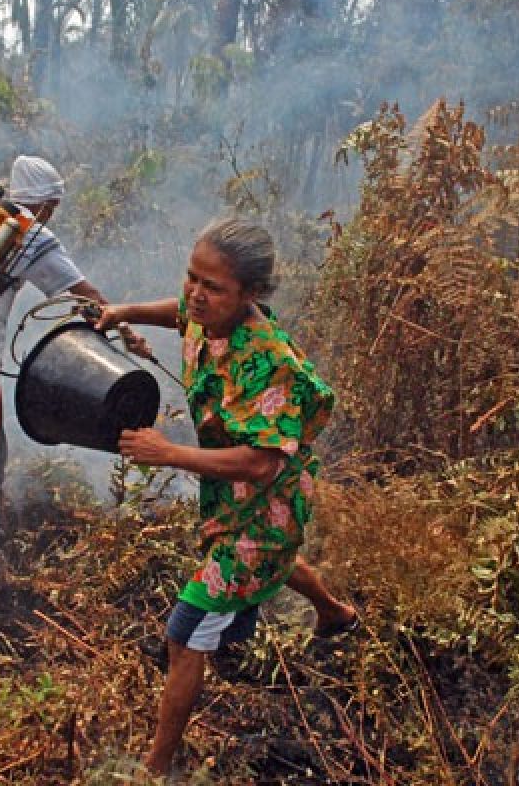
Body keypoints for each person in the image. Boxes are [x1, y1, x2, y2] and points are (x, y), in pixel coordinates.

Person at [94, 217, 357, 776]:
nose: (196, 294)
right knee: (275, 561)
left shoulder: (270, 363)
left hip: (265, 498)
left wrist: (168, 453)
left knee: (186, 632)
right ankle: (335, 613)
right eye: (193, 277)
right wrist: (124, 312)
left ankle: (156, 765)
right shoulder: (206, 313)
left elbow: (262, 462)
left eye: (212, 287)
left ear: (252, 294)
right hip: (232, 493)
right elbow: (181, 313)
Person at [0, 155, 142, 570]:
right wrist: (127, 333)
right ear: (47, 203)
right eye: (54, 206)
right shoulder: (34, 237)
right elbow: (84, 293)